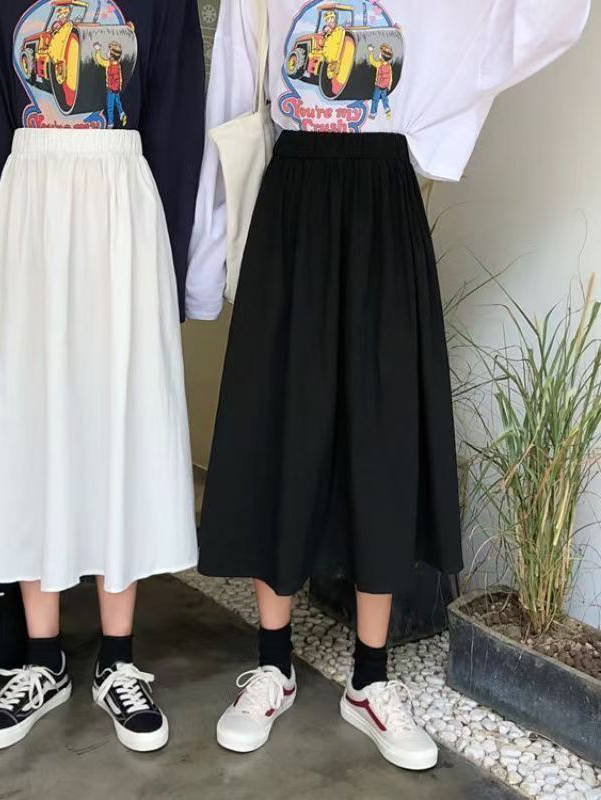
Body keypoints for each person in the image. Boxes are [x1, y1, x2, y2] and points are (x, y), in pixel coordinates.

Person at [186, 0, 590, 770]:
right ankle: (272, 664)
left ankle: (369, 681)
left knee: (384, 431)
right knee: (282, 426)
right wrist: (204, 271)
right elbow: (231, 102)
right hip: (290, 204)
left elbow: (538, 23)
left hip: (382, 204)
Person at [0, 0, 204, 753]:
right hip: (27, 208)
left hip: (124, 208)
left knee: (120, 417)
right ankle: (42, 657)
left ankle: (119, 657)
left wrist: (177, 268)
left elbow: (178, 118)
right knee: (29, 421)